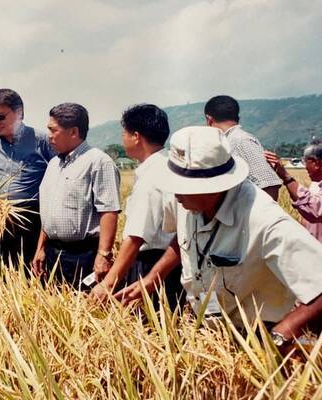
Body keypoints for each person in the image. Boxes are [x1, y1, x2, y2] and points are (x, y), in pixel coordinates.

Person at [118, 126, 322, 351]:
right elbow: (182, 239)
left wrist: (280, 336)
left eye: (182, 188)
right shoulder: (187, 202)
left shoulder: (263, 219)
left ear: (213, 188)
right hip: (206, 328)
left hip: (256, 335)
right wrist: (152, 278)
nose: (175, 194)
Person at [91, 104, 182, 308]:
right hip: (170, 262)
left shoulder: (150, 179)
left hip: (150, 263)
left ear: (136, 136)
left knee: (148, 325)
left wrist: (108, 283)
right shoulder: (168, 166)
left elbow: (135, 237)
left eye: (124, 133)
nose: (122, 139)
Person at [32, 103, 121, 290]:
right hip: (51, 253)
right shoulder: (53, 164)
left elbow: (109, 211)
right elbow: (48, 211)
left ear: (73, 132)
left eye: (53, 130)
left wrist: (103, 255)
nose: (49, 136)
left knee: (85, 311)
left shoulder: (98, 162)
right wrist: (41, 248)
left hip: (82, 255)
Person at [0, 88, 54, 270]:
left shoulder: (42, 141)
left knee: (30, 273)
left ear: (19, 112)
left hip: (30, 219)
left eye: (1, 117)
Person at [204, 95, 281, 200]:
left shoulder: (240, 141)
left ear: (209, 120)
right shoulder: (228, 141)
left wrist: (257, 215)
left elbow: (268, 184)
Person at [265, 141, 322, 242]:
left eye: (306, 162)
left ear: (316, 163)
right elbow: (307, 218)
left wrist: (286, 177)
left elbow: (315, 211)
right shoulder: (315, 184)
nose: (305, 167)